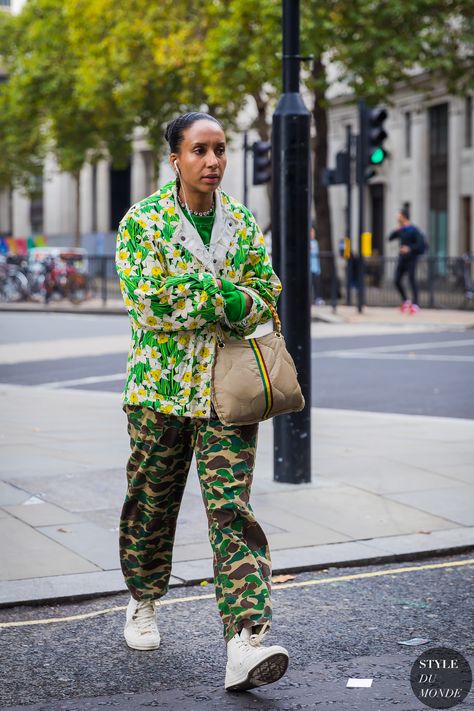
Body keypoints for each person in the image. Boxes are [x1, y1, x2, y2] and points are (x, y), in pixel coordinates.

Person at [115, 112, 289, 692]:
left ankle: (245, 641)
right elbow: (151, 302)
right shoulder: (144, 222)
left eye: (220, 150)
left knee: (232, 513)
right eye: (199, 151)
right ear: (175, 159)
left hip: (226, 395)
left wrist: (225, 298)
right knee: (152, 503)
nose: (212, 161)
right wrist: (227, 298)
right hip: (158, 394)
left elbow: (266, 292)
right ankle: (143, 599)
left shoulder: (240, 221)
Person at [388, 208, 427, 314]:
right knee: (397, 280)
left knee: (412, 280)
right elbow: (390, 238)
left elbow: (420, 244)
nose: (397, 217)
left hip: (411, 258)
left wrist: (409, 248)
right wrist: (397, 230)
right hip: (402, 258)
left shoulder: (413, 230)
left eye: (399, 215)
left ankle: (415, 304)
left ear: (403, 216)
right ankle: (406, 301)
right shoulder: (401, 230)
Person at [310, 224, 324, 305]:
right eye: (311, 232)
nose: (312, 234)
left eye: (313, 233)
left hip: (315, 268)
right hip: (309, 268)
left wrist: (319, 268)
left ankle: (317, 298)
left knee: (316, 284)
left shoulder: (316, 243)